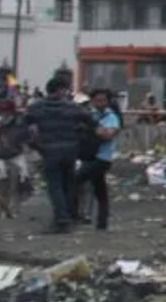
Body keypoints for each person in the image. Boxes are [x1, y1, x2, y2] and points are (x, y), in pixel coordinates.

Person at [23, 73, 87, 233]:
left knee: (55, 185)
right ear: (61, 90)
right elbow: (89, 120)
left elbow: (25, 126)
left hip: (49, 150)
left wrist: (35, 144)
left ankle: (62, 218)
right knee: (68, 184)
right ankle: (68, 216)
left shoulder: (36, 107)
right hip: (70, 150)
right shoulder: (72, 107)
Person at [76, 87, 121, 231]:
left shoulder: (111, 116)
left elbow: (108, 135)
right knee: (100, 190)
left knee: (75, 180)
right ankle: (102, 222)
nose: (101, 103)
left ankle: (74, 215)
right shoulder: (89, 115)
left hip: (103, 157)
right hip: (89, 155)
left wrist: (94, 129)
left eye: (103, 100)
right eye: (97, 100)